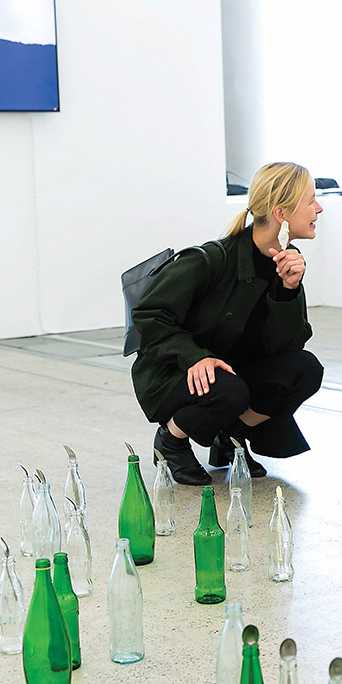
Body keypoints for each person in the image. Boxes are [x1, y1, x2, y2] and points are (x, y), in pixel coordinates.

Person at [130, 162, 325, 485]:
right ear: (281, 213)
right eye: (311, 200)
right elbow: (149, 315)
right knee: (230, 390)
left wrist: (288, 291)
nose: (318, 208)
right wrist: (195, 357)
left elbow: (287, 347)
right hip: (174, 372)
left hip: (230, 371)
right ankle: (171, 440)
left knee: (305, 369)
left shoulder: (286, 262)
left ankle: (232, 435)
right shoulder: (210, 259)